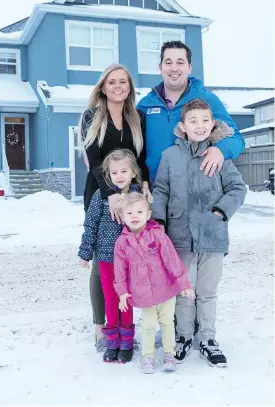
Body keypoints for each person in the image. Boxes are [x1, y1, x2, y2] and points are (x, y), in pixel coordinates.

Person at [152, 99, 246, 368]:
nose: (200, 126)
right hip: (179, 238)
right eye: (193, 121)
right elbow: (161, 191)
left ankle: (207, 338)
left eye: (205, 120)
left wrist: (220, 212)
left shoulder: (219, 155)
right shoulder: (170, 156)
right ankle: (183, 336)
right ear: (182, 126)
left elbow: (237, 189)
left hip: (212, 238)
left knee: (207, 292)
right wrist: (159, 219)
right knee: (184, 292)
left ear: (212, 124)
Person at [78, 64, 150, 351]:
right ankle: (101, 327)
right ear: (103, 87)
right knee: (103, 261)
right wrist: (109, 194)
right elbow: (94, 160)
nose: (118, 86)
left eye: (123, 82)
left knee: (128, 260)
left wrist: (143, 183)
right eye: (112, 82)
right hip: (99, 191)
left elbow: (141, 157)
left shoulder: (138, 117)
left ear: (129, 87)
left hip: (131, 194)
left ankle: (125, 323)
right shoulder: (91, 116)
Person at [136, 40, 245, 184]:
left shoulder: (207, 99)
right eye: (168, 62)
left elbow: (237, 138)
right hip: (155, 193)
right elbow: (135, 148)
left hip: (194, 194)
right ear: (160, 67)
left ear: (190, 67)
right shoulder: (145, 104)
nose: (174, 68)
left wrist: (220, 150)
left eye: (180, 62)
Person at [78, 149, 146, 364]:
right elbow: (91, 225)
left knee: (126, 300)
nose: (119, 176)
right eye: (114, 172)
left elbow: (146, 224)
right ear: (107, 174)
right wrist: (85, 252)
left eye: (124, 171)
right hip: (106, 258)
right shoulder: (101, 196)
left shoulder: (138, 197)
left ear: (133, 172)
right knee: (110, 299)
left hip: (130, 260)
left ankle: (127, 342)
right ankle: (112, 340)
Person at [113, 193, 194, 374]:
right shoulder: (122, 243)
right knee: (148, 325)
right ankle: (147, 356)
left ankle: (169, 354)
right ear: (123, 216)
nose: (135, 216)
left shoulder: (157, 235)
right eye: (130, 213)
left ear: (148, 215)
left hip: (166, 289)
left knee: (167, 323)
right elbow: (120, 269)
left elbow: (171, 259)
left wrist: (183, 283)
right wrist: (122, 291)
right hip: (142, 293)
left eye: (139, 212)